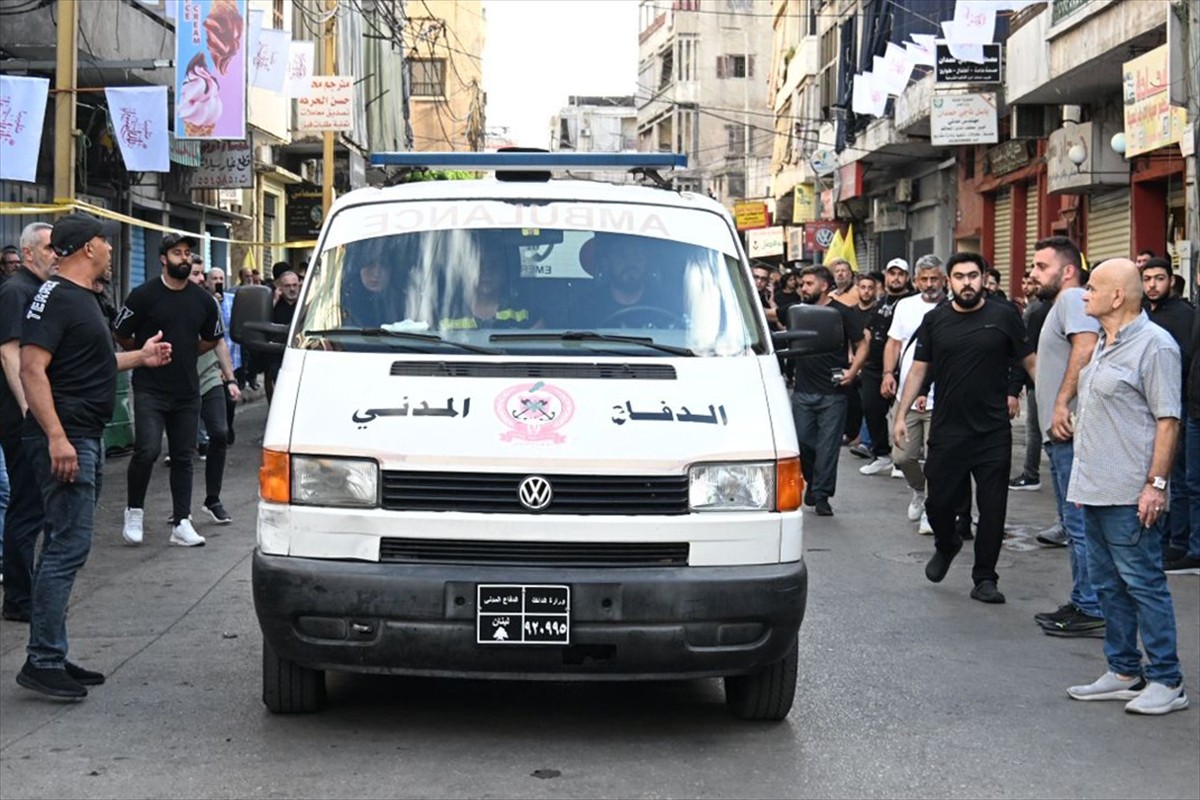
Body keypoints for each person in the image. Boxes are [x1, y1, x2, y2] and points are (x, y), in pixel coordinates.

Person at [16, 212, 172, 699]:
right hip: (67, 438)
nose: (109, 250)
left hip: (85, 434)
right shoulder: (59, 297)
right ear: (87, 248)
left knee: (64, 547)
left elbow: (91, 361)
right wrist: (57, 438)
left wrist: (140, 357)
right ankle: (43, 660)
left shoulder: (80, 298)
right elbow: (31, 369)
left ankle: (51, 652)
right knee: (66, 548)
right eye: (105, 242)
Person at [1065, 258, 1188, 716]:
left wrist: (1156, 484)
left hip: (1130, 492)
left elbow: (1168, 420)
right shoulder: (1104, 341)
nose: (1085, 294)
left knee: (1143, 583)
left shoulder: (1155, 346)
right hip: (1093, 487)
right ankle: (1122, 671)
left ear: (1117, 296)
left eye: (1092, 287)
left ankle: (1166, 680)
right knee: (1108, 585)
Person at [894, 252, 1034, 604]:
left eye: (973, 275)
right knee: (939, 504)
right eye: (959, 276)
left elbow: (1029, 361)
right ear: (948, 281)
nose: (966, 282)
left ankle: (985, 577)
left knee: (993, 509)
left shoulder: (1004, 316)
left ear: (984, 278)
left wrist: (1056, 407)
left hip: (992, 432)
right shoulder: (935, 319)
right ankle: (948, 543)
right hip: (948, 430)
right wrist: (900, 414)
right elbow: (918, 370)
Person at [115, 233, 224, 548]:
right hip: (150, 387)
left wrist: (187, 351)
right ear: (163, 258)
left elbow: (211, 338)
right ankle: (134, 511)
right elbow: (121, 334)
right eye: (177, 253)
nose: (184, 258)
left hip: (187, 390)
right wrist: (142, 355)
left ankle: (182, 522)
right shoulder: (143, 295)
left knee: (183, 456)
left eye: (188, 253)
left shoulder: (203, 299)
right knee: (147, 450)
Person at [1028, 236, 1105, 637]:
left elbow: (1086, 348)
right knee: (1073, 523)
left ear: (1068, 270)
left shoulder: (1074, 299)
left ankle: (1090, 604)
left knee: (1078, 524)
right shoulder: (1063, 304)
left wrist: (1061, 404)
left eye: (1042, 266)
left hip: (1068, 432)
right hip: (1059, 435)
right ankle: (1082, 598)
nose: (1034, 273)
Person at [0, 221, 57, 622]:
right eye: (50, 248)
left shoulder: (41, 291)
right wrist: (28, 408)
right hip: (21, 417)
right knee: (26, 507)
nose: (57, 254)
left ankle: (27, 593)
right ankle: (19, 599)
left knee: (35, 506)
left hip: (34, 413)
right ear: (29, 253)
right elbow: (10, 353)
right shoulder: (16, 291)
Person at [789, 265, 868, 517]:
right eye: (803, 284)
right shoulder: (797, 312)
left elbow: (862, 344)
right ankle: (813, 481)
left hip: (833, 392)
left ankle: (822, 495)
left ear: (824, 286)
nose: (803, 288)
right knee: (802, 443)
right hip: (802, 391)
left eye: (809, 284)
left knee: (828, 447)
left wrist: (853, 371)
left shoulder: (842, 312)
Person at [882, 255, 945, 534]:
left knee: (937, 459)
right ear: (915, 281)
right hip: (906, 398)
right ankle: (919, 490)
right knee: (902, 457)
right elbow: (894, 343)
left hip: (941, 399)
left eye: (935, 279)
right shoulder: (905, 306)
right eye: (924, 279)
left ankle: (931, 511)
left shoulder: (953, 307)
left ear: (943, 280)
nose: (930, 285)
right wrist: (888, 373)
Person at [1141, 257, 1194, 564]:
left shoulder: (1183, 315)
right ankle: (1162, 537)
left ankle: (1180, 541)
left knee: (1180, 477)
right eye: (1147, 279)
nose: (1152, 285)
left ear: (1171, 280)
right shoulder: (1147, 313)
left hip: (1178, 405)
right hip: (1148, 407)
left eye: (1159, 278)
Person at [189, 259, 240, 524]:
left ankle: (213, 499)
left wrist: (230, 378)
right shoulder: (165, 300)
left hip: (210, 377)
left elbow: (220, 342)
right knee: (182, 446)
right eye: (195, 273)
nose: (199, 278)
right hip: (181, 379)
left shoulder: (211, 304)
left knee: (219, 433)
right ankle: (181, 509)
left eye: (201, 274)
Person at [857, 259, 915, 476]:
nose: (896, 278)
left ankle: (901, 461)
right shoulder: (881, 302)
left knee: (903, 412)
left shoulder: (912, 301)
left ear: (907, 277)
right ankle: (881, 455)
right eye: (892, 273)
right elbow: (868, 332)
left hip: (902, 367)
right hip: (874, 365)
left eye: (901, 274)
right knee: (872, 408)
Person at [1010, 269, 1050, 495]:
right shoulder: (1041, 309)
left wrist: (1016, 388)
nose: (1027, 286)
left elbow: (1024, 352)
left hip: (1039, 381)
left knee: (1035, 430)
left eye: (1032, 282)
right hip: (1042, 380)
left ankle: (1030, 474)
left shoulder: (1035, 311)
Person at [265, 270, 300, 403]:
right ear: (280, 288)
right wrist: (274, 300)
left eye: (295, 285)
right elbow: (264, 320)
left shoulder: (306, 304)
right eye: (287, 286)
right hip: (278, 353)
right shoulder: (273, 304)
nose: (292, 289)